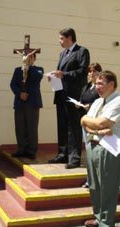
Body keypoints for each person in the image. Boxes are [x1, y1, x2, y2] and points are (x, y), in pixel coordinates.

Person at [81, 70, 120, 227]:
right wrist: (94, 127)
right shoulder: (97, 102)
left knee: (107, 187)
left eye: (101, 83)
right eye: (96, 83)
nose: (97, 87)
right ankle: (99, 218)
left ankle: (106, 225)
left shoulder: (118, 101)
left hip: (109, 149)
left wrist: (94, 124)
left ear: (112, 84)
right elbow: (84, 120)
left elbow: (103, 122)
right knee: (95, 186)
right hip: (93, 144)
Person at [48, 28, 90, 168]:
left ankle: (74, 158)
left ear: (69, 37)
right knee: (62, 126)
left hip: (73, 96)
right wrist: (54, 77)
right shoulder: (62, 53)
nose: (59, 41)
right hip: (60, 94)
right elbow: (61, 73)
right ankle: (62, 154)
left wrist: (64, 74)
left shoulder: (82, 51)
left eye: (61, 38)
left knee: (73, 127)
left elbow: (83, 72)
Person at [10, 53, 44, 159]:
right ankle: (21, 149)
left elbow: (37, 78)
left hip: (32, 102)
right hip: (20, 102)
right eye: (25, 57)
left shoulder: (39, 69)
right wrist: (20, 93)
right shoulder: (17, 70)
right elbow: (13, 84)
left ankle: (31, 150)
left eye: (30, 57)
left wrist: (28, 67)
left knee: (32, 127)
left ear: (34, 59)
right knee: (20, 127)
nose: (27, 59)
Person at [79, 63, 102, 188]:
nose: (91, 74)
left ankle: (94, 180)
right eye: (89, 71)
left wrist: (91, 106)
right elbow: (83, 99)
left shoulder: (100, 89)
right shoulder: (87, 86)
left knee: (95, 152)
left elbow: (102, 103)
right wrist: (80, 104)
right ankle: (90, 180)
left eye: (94, 71)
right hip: (86, 122)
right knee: (88, 152)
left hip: (96, 123)